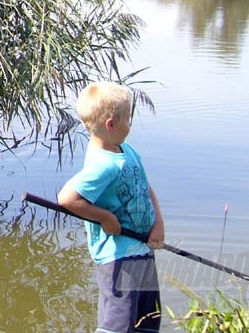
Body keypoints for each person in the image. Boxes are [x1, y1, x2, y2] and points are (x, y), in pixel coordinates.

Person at [57, 81, 165, 333]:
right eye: (128, 118)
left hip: (142, 249)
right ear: (111, 124)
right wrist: (105, 217)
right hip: (119, 258)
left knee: (148, 322)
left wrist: (158, 223)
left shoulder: (126, 150)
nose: (130, 123)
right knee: (119, 324)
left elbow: (145, 186)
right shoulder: (102, 165)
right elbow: (67, 198)